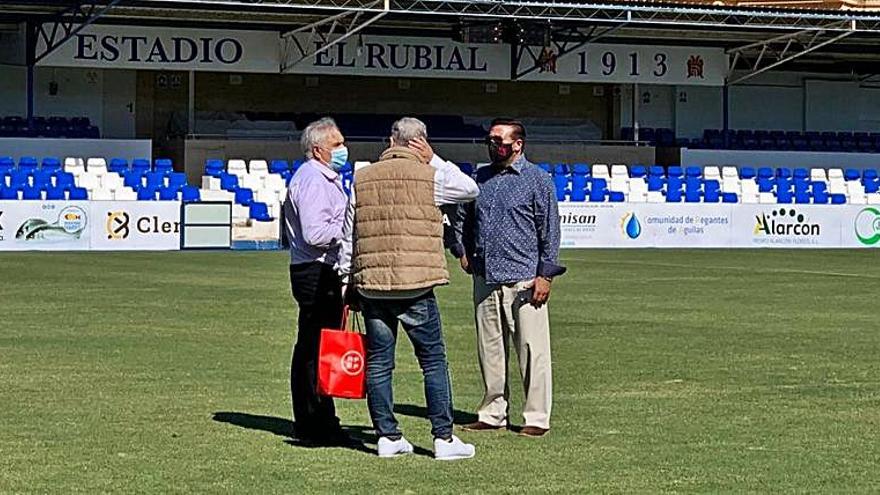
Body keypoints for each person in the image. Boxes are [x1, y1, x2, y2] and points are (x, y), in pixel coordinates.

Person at [337, 117, 479, 460]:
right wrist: (435, 159)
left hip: (373, 285)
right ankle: (443, 438)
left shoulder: (362, 177)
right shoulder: (431, 176)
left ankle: (387, 435)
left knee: (379, 363)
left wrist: (347, 280)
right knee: (432, 360)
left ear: (390, 140)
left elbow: (348, 233)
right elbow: (470, 189)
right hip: (414, 283)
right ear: (422, 141)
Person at [457, 118, 566, 438]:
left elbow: (550, 231)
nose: (493, 145)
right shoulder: (480, 178)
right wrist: (462, 251)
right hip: (486, 278)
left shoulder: (538, 180)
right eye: (490, 140)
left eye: (499, 140)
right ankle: (492, 413)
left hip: (524, 280)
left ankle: (536, 417)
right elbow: (463, 218)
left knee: (533, 352)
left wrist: (545, 275)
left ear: (518, 144)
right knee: (489, 351)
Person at [283, 117, 353, 445]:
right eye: (336, 144)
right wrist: (348, 232)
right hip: (316, 269)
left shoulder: (325, 177)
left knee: (318, 347)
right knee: (313, 348)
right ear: (318, 149)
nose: (343, 150)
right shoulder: (312, 179)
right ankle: (312, 422)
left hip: (318, 269)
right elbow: (314, 233)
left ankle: (322, 416)